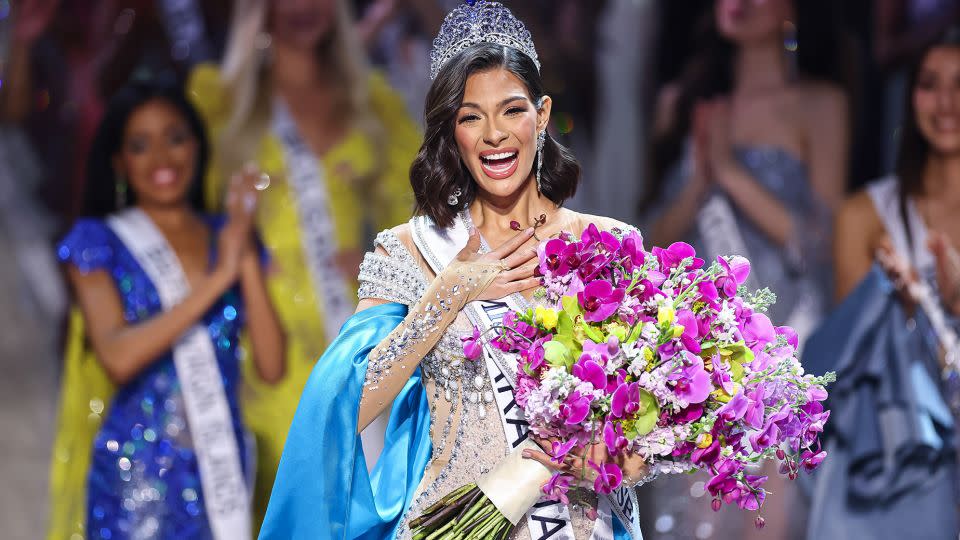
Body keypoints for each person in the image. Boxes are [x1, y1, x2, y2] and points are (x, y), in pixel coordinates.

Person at [258, 2, 649, 538]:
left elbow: (646, 434)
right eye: (471, 117)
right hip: (450, 524)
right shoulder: (411, 252)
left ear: (543, 114)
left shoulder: (610, 246)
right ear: (452, 131)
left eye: (512, 110)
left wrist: (614, 460)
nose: (494, 134)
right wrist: (449, 294)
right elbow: (349, 407)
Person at [187, 0, 419, 518]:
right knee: (289, 496)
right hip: (262, 328)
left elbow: (420, 210)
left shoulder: (369, 100)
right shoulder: (218, 101)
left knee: (364, 498)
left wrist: (379, 260)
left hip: (352, 321)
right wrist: (237, 252)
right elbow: (186, 214)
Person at [641, 0, 849, 537]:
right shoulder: (683, 102)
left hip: (783, 344)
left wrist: (731, 174)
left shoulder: (820, 105)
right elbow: (647, 244)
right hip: (696, 350)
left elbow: (822, 243)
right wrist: (697, 183)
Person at [47, 77, 286, 540]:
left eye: (175, 139)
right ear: (119, 162)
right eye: (140, 145)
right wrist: (219, 279)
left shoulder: (228, 236)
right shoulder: (98, 243)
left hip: (220, 470)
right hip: (136, 476)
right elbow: (117, 356)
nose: (162, 159)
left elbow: (272, 367)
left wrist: (243, 247)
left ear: (198, 145)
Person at [804, 28, 960, 540]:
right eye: (930, 84)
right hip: (905, 460)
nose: (945, 103)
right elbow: (853, 363)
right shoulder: (867, 214)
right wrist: (903, 306)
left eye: (959, 85)